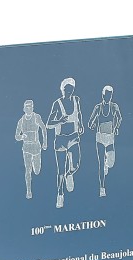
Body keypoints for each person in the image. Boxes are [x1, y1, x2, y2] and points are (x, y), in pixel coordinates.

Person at [46, 78, 84, 208]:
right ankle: (60, 194)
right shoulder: (57, 103)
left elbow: (79, 114)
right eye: (67, 89)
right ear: (62, 90)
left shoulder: (76, 100)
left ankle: (70, 175)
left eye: (71, 89)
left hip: (73, 137)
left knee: (76, 165)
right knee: (61, 170)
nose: (69, 91)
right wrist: (59, 121)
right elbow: (48, 124)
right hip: (61, 140)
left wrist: (81, 125)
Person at [88, 85, 122, 197]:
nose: (108, 97)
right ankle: (102, 188)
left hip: (110, 137)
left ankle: (107, 164)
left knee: (111, 163)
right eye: (106, 95)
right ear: (102, 95)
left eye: (109, 96)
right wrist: (92, 124)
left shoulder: (114, 106)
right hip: (100, 138)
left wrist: (116, 128)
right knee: (101, 164)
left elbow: (119, 118)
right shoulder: (98, 107)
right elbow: (90, 122)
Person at [15, 100, 47, 199]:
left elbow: (43, 128)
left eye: (30, 107)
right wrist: (22, 136)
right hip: (26, 148)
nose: (29, 108)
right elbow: (16, 136)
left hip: (36, 147)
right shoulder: (21, 121)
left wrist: (45, 142)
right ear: (24, 109)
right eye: (27, 107)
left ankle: (36, 166)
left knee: (37, 171)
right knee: (28, 170)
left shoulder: (36, 117)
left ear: (33, 108)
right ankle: (29, 191)